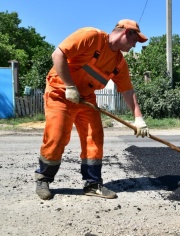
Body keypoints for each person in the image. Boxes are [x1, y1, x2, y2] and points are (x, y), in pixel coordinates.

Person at [34, 19, 149, 200]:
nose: (135, 45)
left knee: (94, 138)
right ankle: (43, 179)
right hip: (60, 92)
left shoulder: (119, 63)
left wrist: (138, 118)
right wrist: (70, 87)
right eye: (135, 40)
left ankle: (93, 184)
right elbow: (58, 55)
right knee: (57, 136)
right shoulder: (91, 37)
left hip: (86, 98)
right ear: (127, 33)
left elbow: (127, 90)